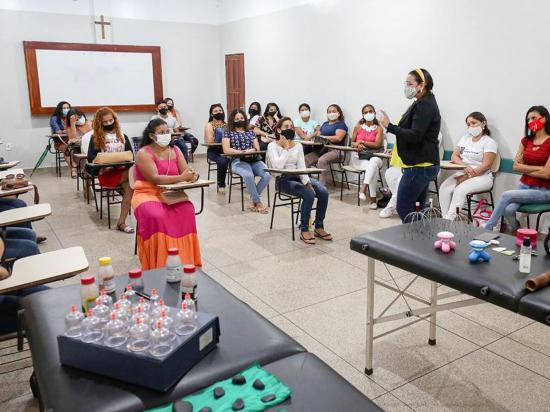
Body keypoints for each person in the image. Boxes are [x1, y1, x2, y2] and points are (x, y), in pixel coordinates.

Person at [132, 119, 202, 269]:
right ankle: (160, 262)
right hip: (147, 192)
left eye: (167, 132)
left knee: (187, 209)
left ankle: (184, 259)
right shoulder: (144, 153)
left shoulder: (175, 150)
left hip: (171, 192)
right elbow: (154, 178)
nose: (166, 135)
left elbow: (185, 171)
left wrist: (192, 175)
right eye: (161, 133)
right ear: (152, 135)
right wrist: (182, 178)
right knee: (156, 215)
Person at [379, 68, 441, 222]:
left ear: (422, 85)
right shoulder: (422, 102)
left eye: (410, 83)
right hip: (420, 164)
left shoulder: (425, 105)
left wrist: (390, 126)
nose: (406, 87)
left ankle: (414, 242)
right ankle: (419, 241)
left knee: (404, 207)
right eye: (405, 83)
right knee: (416, 208)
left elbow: (415, 135)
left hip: (421, 166)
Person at [485, 106, 550, 231]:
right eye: (528, 119)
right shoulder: (526, 141)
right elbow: (515, 166)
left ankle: (487, 229)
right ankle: (517, 232)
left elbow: (547, 174)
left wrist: (524, 168)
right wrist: (539, 168)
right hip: (524, 186)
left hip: (545, 190)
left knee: (505, 195)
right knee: (509, 210)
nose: (531, 122)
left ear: (545, 119)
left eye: (534, 118)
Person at [267, 117, 331, 244]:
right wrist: (285, 148)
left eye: (291, 126)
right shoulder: (272, 146)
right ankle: (304, 229)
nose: (290, 129)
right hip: (283, 180)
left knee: (323, 191)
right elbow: (278, 167)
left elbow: (302, 167)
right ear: (279, 130)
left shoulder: (298, 146)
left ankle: (319, 226)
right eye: (286, 127)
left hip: (299, 176)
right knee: (309, 194)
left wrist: (307, 183)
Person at [439, 112, 498, 220]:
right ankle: (444, 218)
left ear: (483, 123)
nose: (471, 126)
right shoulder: (465, 138)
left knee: (460, 190)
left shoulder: (489, 142)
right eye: (468, 124)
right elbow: (454, 156)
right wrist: (464, 166)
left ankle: (449, 220)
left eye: (474, 123)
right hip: (463, 171)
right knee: (444, 188)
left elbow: (486, 165)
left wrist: (467, 176)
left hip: (482, 176)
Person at [86, 107, 134, 233]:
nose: (108, 123)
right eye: (105, 122)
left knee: (130, 187)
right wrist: (107, 165)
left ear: (115, 120)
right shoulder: (95, 138)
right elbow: (91, 159)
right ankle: (144, 195)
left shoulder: (123, 136)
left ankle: (121, 222)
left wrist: (121, 163)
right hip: (106, 174)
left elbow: (130, 156)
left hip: (121, 172)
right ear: (99, 123)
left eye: (110, 120)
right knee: (133, 178)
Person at [223, 108, 271, 213]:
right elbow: (226, 149)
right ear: (232, 120)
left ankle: (253, 199)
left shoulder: (250, 131)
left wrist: (252, 150)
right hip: (238, 161)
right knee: (248, 175)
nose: (240, 120)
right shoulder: (228, 132)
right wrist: (243, 152)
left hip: (254, 159)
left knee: (267, 174)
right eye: (237, 118)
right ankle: (257, 202)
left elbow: (257, 148)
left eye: (242, 118)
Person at [349, 104, 384, 208]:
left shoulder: (379, 129)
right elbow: (352, 143)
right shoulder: (358, 127)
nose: (368, 114)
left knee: (373, 162)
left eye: (370, 111)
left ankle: (363, 188)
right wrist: (357, 144)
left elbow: (377, 144)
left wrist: (362, 141)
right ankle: (373, 200)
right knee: (373, 168)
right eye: (365, 112)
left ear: (374, 113)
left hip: (377, 156)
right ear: (362, 115)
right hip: (360, 158)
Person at [305, 104, 348, 185]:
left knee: (322, 160)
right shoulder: (325, 124)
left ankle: (321, 187)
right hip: (322, 149)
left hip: (336, 150)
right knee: (306, 159)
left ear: (338, 113)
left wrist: (324, 137)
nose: (331, 113)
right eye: (329, 112)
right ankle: (308, 183)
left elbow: (338, 138)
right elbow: (318, 135)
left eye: (333, 111)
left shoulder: (341, 124)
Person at [204, 104, 230, 194]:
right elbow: (210, 141)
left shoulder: (227, 125)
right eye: (215, 111)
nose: (218, 112)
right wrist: (218, 131)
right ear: (211, 114)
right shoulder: (209, 125)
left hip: (226, 149)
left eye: (220, 110)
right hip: (213, 150)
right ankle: (221, 185)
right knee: (223, 161)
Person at [65, 108, 93, 178]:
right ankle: (74, 169)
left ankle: (87, 175)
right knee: (68, 151)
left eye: (79, 117)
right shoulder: (70, 127)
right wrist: (73, 124)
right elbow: (73, 139)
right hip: (77, 149)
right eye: (76, 119)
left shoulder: (90, 123)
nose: (79, 120)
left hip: (90, 148)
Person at [49, 100, 73, 175]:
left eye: (68, 107)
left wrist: (67, 130)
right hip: (60, 142)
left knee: (77, 148)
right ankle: (73, 170)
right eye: (64, 108)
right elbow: (58, 131)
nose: (66, 109)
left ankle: (79, 168)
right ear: (60, 109)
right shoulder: (54, 118)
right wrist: (68, 130)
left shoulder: (71, 117)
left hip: (72, 141)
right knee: (68, 149)